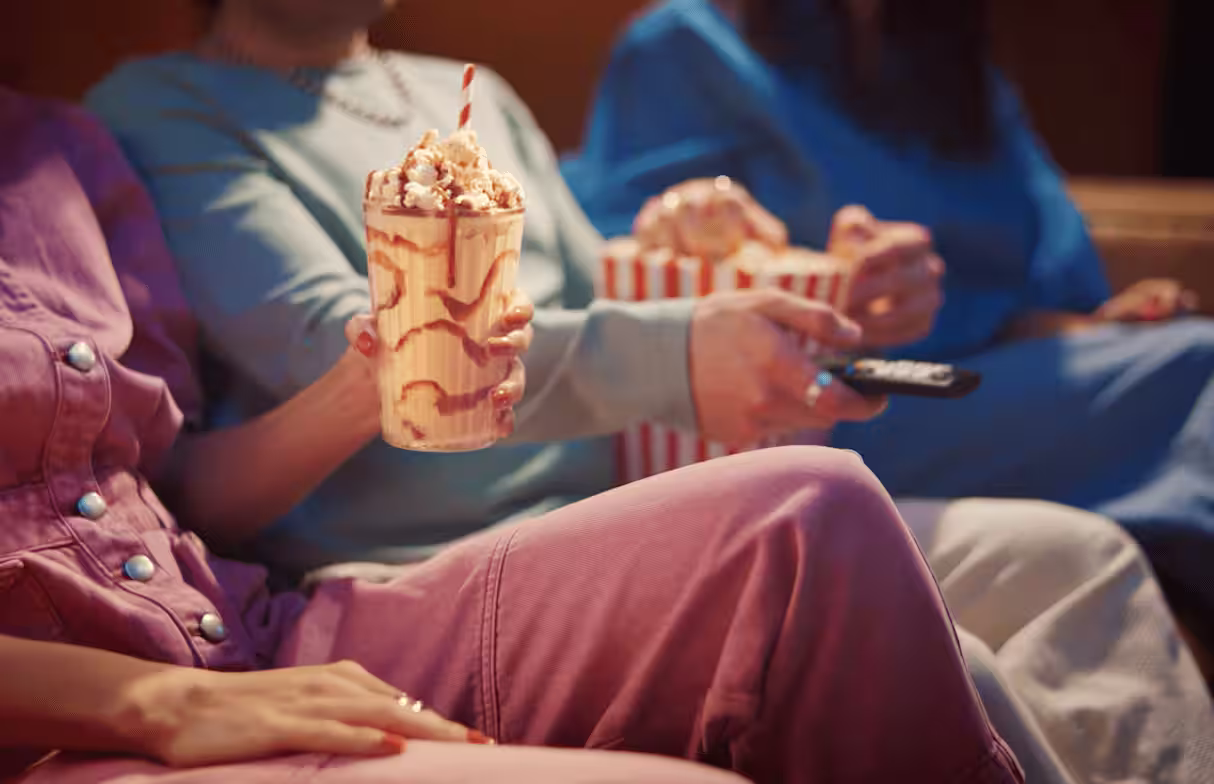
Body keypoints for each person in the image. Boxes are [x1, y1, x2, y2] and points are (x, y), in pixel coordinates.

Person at [84, 1, 1214, 781]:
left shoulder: (465, 89)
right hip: (417, 558)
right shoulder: (163, 103)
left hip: (620, 502)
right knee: (931, 648)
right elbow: (345, 344)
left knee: (1079, 559)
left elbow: (597, 285)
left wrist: (769, 268)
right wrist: (682, 349)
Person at [0, 85, 1028, 784]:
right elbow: (314, 325)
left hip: (249, 622)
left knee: (820, 504)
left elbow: (174, 486)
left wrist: (763, 268)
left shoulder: (58, 147)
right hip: (79, 719)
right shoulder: (162, 106)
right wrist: (147, 699)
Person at [562, 0, 1214, 657]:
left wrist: (1106, 329)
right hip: (816, 406)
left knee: (1187, 356)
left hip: (972, 381)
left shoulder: (952, 66)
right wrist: (805, 276)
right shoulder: (687, 44)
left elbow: (1022, 283)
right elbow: (627, 279)